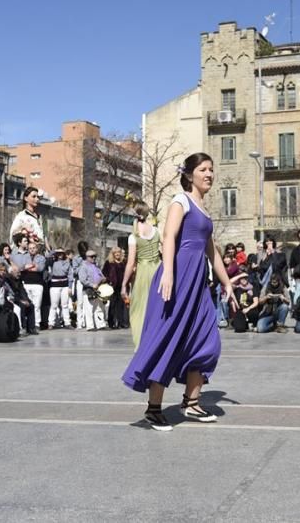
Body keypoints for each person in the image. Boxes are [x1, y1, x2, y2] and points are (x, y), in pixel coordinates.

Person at [122, 152, 233, 431]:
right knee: (167, 338)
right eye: (204, 169)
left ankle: (191, 403)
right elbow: (169, 236)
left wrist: (227, 282)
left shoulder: (204, 210)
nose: (209, 174)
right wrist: (169, 272)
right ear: (190, 174)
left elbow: (212, 251)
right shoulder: (180, 201)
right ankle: (153, 409)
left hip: (198, 285)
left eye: (211, 169)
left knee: (208, 339)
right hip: (175, 279)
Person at [122, 201, 161, 347]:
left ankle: (142, 344)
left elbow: (131, 262)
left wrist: (124, 284)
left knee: (139, 309)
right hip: (158, 269)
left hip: (143, 273)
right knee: (158, 307)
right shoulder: (156, 230)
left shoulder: (134, 236)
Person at [77, 249, 107, 331]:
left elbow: (100, 275)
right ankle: (90, 326)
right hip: (89, 290)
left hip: (98, 289)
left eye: (95, 256)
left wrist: (103, 278)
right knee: (89, 308)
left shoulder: (96, 266)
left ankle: (100, 324)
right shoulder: (83, 267)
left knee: (99, 307)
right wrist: (91, 285)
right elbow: (82, 279)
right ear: (87, 257)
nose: (94, 258)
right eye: (91, 256)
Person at [103, 247, 128, 329]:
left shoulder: (124, 262)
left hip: (122, 286)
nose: (117, 254)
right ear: (112, 254)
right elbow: (104, 273)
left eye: (119, 252)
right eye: (115, 253)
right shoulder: (109, 262)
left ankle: (121, 322)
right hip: (112, 286)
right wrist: (108, 280)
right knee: (113, 304)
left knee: (121, 305)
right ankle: (112, 322)